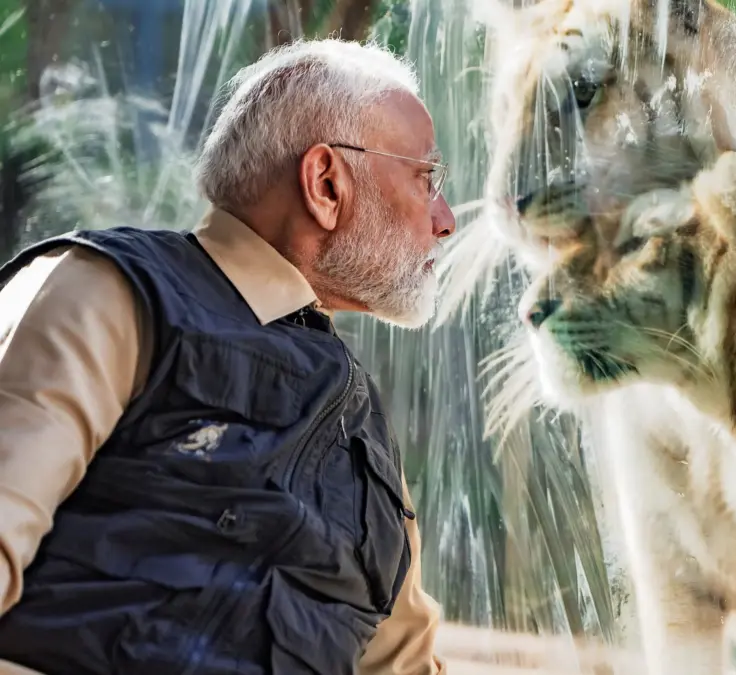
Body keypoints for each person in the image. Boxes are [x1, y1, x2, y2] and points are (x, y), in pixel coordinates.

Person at [0, 38, 454, 674]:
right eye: (426, 179)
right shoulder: (108, 292)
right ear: (327, 184)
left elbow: (403, 664)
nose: (446, 219)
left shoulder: (366, 435)